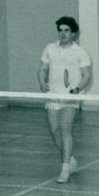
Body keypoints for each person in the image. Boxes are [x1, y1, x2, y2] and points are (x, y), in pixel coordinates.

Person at [38, 16, 93, 183]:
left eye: (67, 31)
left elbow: (86, 75)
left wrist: (77, 89)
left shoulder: (80, 52)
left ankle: (65, 169)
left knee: (65, 127)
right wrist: (41, 81)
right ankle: (71, 160)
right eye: (60, 30)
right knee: (54, 130)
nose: (63, 34)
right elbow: (42, 69)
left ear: (73, 34)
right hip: (53, 94)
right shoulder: (49, 48)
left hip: (71, 95)